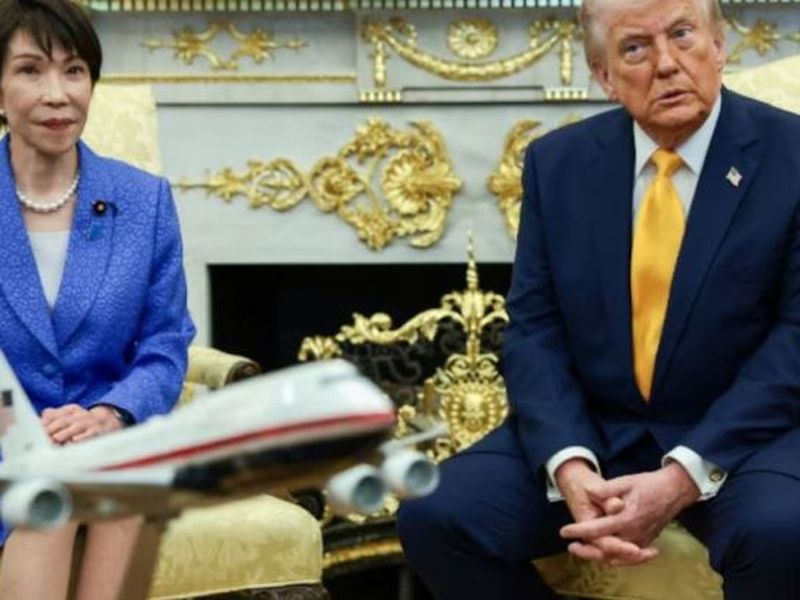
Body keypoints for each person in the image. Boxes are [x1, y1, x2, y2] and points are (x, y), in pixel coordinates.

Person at [398, 0, 800, 598]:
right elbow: (534, 327)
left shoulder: (791, 155)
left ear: (719, 46)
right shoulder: (557, 163)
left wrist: (684, 473)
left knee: (781, 533)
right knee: (437, 515)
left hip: (747, 437)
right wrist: (568, 461)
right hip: (600, 428)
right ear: (604, 75)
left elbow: (795, 339)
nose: (666, 64)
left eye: (683, 35)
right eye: (635, 48)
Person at [0, 0, 194, 597]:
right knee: (53, 497)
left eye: (75, 70)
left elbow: (166, 345)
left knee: (123, 489)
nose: (57, 94)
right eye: (30, 70)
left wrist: (110, 414)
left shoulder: (144, 202)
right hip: (8, 444)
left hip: (106, 442)